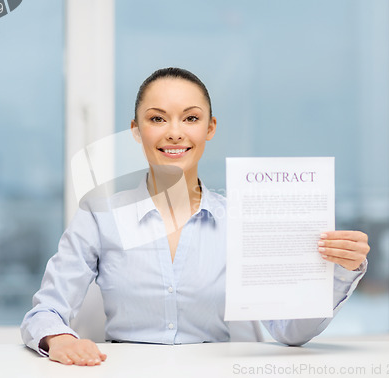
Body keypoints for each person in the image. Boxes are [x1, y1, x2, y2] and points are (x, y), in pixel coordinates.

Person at [21, 67, 370, 366]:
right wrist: (62, 340)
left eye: (190, 118)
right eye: (157, 118)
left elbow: (290, 331)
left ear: (210, 127)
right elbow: (45, 312)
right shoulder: (99, 216)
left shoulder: (242, 219)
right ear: (136, 129)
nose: (175, 132)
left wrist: (340, 270)